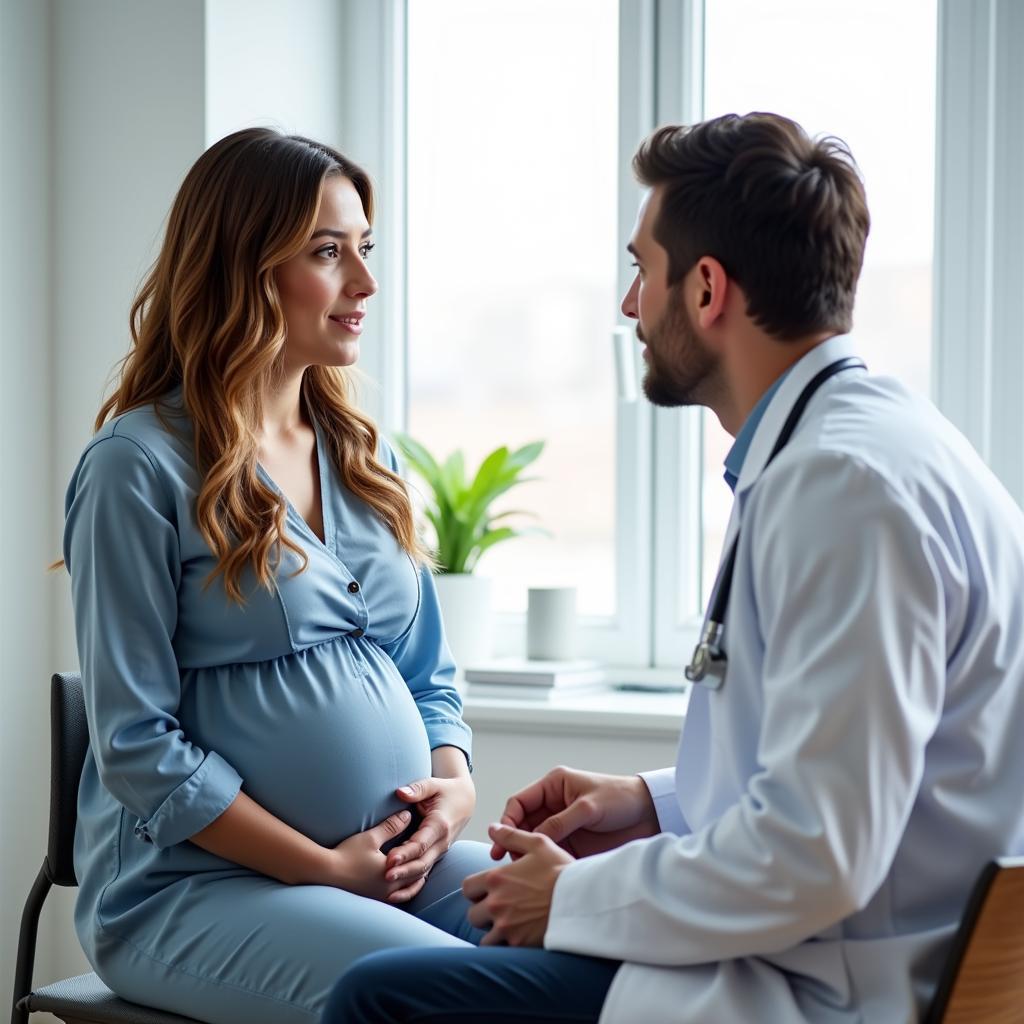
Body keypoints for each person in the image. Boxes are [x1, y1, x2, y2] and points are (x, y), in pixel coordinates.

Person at [322, 112, 1024, 1024]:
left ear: (705, 289)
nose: (628, 308)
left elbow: (821, 853)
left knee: (379, 999)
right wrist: (652, 801)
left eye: (638, 271)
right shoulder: (883, 443)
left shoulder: (841, 489)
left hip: (837, 991)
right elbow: (846, 770)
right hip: (857, 952)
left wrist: (568, 899)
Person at [61, 127, 495, 1024]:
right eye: (328, 253)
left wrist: (452, 792)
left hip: (385, 866)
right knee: (447, 1002)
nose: (365, 284)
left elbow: (428, 679)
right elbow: (137, 744)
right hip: (190, 890)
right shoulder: (135, 466)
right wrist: (324, 868)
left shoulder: (359, 458)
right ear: (242, 267)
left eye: (364, 249)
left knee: (597, 940)